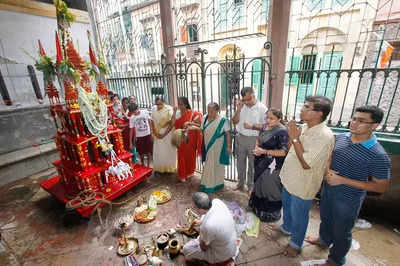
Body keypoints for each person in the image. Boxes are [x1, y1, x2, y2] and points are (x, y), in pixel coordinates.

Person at [306, 105, 391, 266]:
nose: (354, 123)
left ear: (374, 126)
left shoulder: (378, 155)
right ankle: (323, 240)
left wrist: (343, 180)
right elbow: (330, 156)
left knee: (342, 231)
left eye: (361, 121)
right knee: (325, 219)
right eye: (353, 118)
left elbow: (381, 187)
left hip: (348, 200)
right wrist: (326, 170)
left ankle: (336, 259)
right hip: (328, 191)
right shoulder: (341, 138)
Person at [279, 96, 335, 257]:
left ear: (319, 113)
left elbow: (306, 163)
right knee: (287, 207)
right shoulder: (304, 127)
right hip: (290, 176)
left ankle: (296, 244)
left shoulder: (324, 135)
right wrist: (292, 137)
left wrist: (294, 137)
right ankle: (286, 228)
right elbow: (292, 148)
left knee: (300, 216)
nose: (301, 109)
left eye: (306, 107)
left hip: (303, 183)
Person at [247, 109, 289, 222]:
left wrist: (264, 151)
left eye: (271, 118)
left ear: (279, 119)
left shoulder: (282, 132)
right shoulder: (265, 126)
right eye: (267, 118)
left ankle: (269, 214)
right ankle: (257, 208)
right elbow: (258, 138)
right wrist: (257, 147)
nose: (268, 121)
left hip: (272, 165)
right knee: (259, 185)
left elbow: (283, 152)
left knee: (269, 188)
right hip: (260, 161)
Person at [182, 192, 237, 265]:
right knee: (204, 221)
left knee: (186, 249)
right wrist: (201, 223)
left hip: (221, 255)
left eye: (195, 207)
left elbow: (203, 248)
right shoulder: (217, 201)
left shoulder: (208, 226)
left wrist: (201, 232)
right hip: (232, 246)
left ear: (200, 209)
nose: (194, 208)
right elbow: (210, 216)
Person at [188, 103, 231, 193]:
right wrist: (194, 128)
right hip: (207, 145)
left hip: (218, 146)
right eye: (208, 110)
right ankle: (208, 183)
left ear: (217, 110)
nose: (209, 113)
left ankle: (215, 184)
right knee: (209, 164)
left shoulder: (223, 120)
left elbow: (227, 134)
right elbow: (203, 129)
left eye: (212, 111)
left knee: (216, 165)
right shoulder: (205, 118)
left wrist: (228, 147)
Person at [232, 87, 267, 195]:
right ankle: (240, 182)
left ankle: (251, 186)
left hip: (254, 140)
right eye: (244, 100)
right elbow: (234, 121)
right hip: (240, 137)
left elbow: (266, 127)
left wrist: (252, 126)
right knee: (239, 163)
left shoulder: (262, 108)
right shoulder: (241, 106)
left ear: (253, 95)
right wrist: (238, 109)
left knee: (252, 165)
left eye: (249, 99)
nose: (246, 102)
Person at [172, 97, 202, 182]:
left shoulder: (193, 113)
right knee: (181, 156)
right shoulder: (177, 113)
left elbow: (200, 123)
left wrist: (189, 123)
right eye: (179, 104)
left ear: (186, 104)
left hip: (190, 138)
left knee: (190, 156)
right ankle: (182, 175)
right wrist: (174, 112)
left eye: (181, 104)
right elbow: (173, 123)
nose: (180, 106)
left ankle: (190, 172)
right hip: (180, 137)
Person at [150, 97, 177, 174]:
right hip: (157, 133)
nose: (159, 106)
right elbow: (151, 121)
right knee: (158, 152)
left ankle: (169, 169)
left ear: (164, 103)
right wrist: (153, 132)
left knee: (168, 151)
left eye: (160, 104)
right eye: (157, 104)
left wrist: (164, 134)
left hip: (167, 134)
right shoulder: (153, 109)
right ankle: (159, 169)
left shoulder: (169, 109)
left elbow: (172, 123)